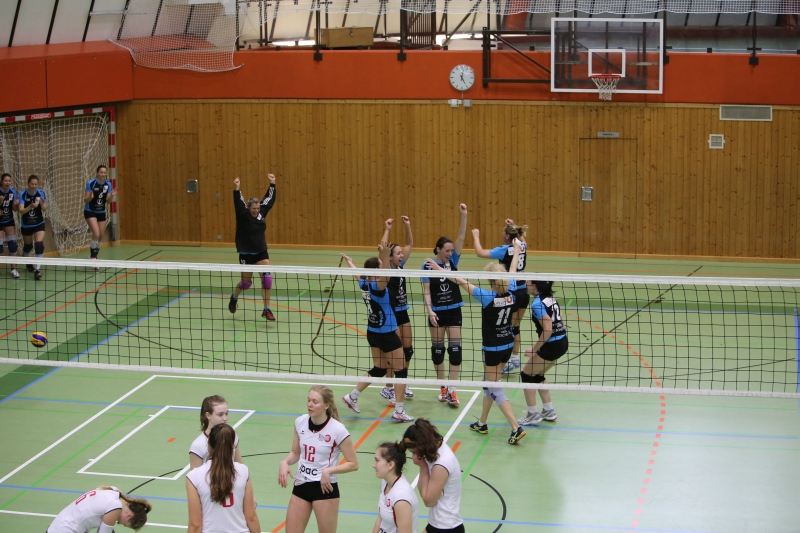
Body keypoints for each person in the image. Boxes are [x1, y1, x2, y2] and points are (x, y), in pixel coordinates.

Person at [425, 239, 526, 445]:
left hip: (493, 347)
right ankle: (482, 422)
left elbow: (460, 281)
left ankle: (516, 427)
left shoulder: (486, 296)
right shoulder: (512, 291)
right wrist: (516, 250)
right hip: (508, 345)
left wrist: (438, 269)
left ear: (491, 281)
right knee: (488, 383)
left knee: (494, 387)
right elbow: (513, 269)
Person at [341, 243, 414, 423]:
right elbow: (386, 275)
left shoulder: (364, 283)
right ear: (375, 271)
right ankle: (399, 410)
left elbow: (356, 272)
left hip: (373, 331)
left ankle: (352, 396)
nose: (383, 268)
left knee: (380, 368)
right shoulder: (377, 286)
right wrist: (386, 256)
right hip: (386, 333)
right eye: (380, 267)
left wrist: (350, 262)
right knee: (401, 370)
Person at [279, 385, 359, 533]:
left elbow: (353, 464)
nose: (310, 404)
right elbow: (295, 453)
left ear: (326, 405)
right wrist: (285, 462)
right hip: (301, 484)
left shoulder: (338, 429)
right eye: (308, 400)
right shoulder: (300, 422)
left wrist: (329, 471)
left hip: (324, 488)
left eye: (315, 402)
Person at [421, 204, 468, 407]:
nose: (450, 253)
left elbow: (461, 237)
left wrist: (464, 216)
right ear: (438, 249)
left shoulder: (453, 260)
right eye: (446, 250)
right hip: (437, 313)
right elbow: (426, 290)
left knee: (455, 350)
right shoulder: (427, 265)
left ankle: (453, 389)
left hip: (454, 310)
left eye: (451, 250)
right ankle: (442, 386)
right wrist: (430, 311)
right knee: (438, 350)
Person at [471, 219, 529, 374]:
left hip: (510, 290)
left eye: (504, 230)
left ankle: (506, 358)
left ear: (507, 236)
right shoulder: (522, 245)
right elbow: (522, 239)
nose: (502, 232)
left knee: (507, 326)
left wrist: (476, 236)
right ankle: (514, 357)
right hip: (523, 291)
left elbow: (480, 253)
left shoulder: (503, 250)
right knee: (516, 326)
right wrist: (515, 226)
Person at [186, 424, 261, 533]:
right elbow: (251, 517)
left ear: (208, 444)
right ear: (233, 447)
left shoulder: (193, 477)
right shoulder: (243, 471)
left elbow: (195, 525)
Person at [517, 281, 569, 426]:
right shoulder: (550, 298)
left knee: (526, 375)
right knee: (538, 375)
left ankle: (532, 414)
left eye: (528, 283)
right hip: (562, 342)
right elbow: (561, 320)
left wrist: (534, 349)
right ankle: (548, 410)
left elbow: (548, 329)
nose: (525, 285)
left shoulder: (537, 304)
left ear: (534, 286)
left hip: (552, 345)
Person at [400, 419, 463, 533]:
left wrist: (423, 466)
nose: (414, 455)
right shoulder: (435, 451)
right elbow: (424, 492)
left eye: (414, 452)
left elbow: (428, 501)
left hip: (446, 527)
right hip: (437, 524)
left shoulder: (441, 464)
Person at [228, 174, 277, 321]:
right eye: (253, 208)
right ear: (249, 208)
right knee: (246, 283)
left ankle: (266, 309)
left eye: (257, 208)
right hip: (246, 253)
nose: (256, 210)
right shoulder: (243, 215)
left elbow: (269, 200)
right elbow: (238, 201)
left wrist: (272, 183)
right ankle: (234, 297)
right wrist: (237, 187)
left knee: (267, 280)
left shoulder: (261, 213)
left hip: (261, 252)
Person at [378, 216, 415, 404]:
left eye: (401, 253)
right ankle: (389, 387)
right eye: (398, 253)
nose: (401, 255)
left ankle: (402, 383)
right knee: (395, 352)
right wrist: (387, 229)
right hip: (391, 314)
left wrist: (407, 226)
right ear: (390, 257)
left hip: (403, 311)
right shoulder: (386, 268)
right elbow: (382, 249)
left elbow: (410, 244)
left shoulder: (401, 266)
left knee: (408, 351)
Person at [47, 486, 151, 532]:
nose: (119, 523)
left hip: (58, 526)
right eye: (124, 524)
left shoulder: (114, 491)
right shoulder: (115, 507)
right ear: (129, 515)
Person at [372, 441, 419, 533]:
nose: (373, 465)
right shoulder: (385, 482)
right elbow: (381, 518)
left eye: (377, 460)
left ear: (391, 465)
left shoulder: (401, 496)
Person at [190, 395, 243, 469]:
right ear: (208, 415)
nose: (225, 418)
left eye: (226, 414)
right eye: (220, 414)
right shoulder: (198, 445)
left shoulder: (231, 435)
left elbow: (239, 466)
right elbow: (195, 475)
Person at [83, 164, 117, 265]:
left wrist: (112, 195)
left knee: (101, 235)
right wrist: (90, 197)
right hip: (90, 211)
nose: (103, 174)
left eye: (104, 173)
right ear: (97, 173)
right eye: (101, 172)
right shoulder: (91, 183)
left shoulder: (108, 184)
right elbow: (85, 200)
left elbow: (108, 201)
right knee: (96, 234)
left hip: (101, 212)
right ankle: (94, 258)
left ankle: (93, 256)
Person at [18, 174, 47, 280]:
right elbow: (21, 211)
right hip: (26, 224)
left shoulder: (41, 193)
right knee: (28, 246)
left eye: (36, 184)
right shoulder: (23, 194)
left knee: (39, 245)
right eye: (32, 184)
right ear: (28, 184)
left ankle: (37, 270)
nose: (34, 186)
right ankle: (27, 261)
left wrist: (42, 204)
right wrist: (30, 206)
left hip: (39, 223)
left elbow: (45, 209)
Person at [0, 173, 20, 278]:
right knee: (0, 247)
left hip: (9, 220)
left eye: (9, 181)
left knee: (12, 245)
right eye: (5, 181)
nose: (7, 183)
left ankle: (13, 269)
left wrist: (15, 205)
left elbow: (15, 209)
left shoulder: (12, 192)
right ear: (1, 181)